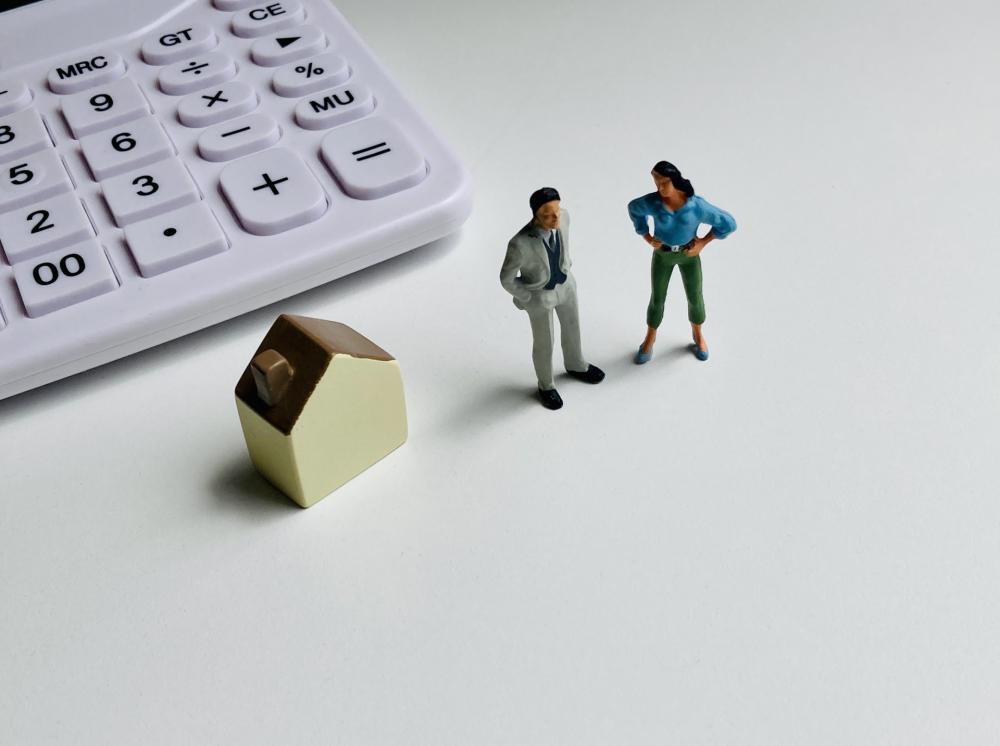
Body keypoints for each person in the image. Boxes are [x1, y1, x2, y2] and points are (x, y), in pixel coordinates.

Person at [500, 187, 605, 410]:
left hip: (566, 286)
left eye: (557, 210)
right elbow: (506, 279)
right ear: (535, 216)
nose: (555, 217)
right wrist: (527, 296)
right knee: (544, 342)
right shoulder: (520, 243)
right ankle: (546, 385)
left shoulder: (564, 218)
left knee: (573, 327)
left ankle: (575, 364)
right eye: (547, 215)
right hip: (541, 296)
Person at [627, 161, 736, 363]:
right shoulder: (654, 203)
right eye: (656, 182)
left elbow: (728, 223)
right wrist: (647, 236)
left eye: (664, 182)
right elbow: (633, 208)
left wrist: (703, 242)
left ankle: (698, 334)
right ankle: (650, 338)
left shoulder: (696, 206)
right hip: (663, 256)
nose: (660, 187)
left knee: (695, 297)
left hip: (689, 256)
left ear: (675, 180)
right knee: (657, 298)